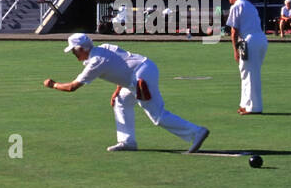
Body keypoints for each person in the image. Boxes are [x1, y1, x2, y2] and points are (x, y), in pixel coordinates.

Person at [42, 32, 209, 153]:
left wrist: (53, 84)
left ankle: (196, 132)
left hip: (140, 77)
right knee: (121, 102)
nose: (73, 53)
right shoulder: (105, 48)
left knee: (157, 116)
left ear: (81, 49)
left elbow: (72, 87)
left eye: (74, 50)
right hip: (142, 69)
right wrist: (118, 89)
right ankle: (127, 142)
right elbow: (123, 64)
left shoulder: (95, 62)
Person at [225, 0, 268, 114]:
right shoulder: (250, 5)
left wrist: (235, 50)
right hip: (260, 39)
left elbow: (234, 31)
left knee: (250, 74)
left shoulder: (236, 6)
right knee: (247, 73)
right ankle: (245, 104)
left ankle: (253, 107)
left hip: (250, 41)